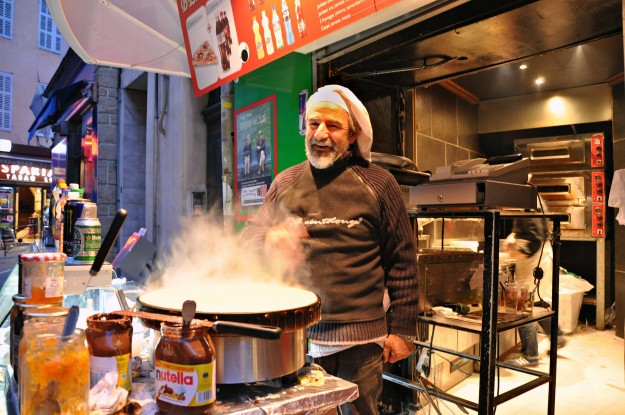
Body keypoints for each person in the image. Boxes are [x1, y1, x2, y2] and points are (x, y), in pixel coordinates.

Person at [242, 84, 418, 414]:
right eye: (313, 124)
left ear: (352, 135)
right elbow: (248, 243)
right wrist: (270, 240)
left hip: (362, 342)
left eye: (333, 126)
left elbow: (403, 261)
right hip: (297, 339)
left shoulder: (379, 183)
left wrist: (404, 330)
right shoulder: (286, 181)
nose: (320, 134)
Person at [502, 217, 566, 367]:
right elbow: (527, 229)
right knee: (536, 301)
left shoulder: (525, 201)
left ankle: (530, 355)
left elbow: (532, 242)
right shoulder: (527, 200)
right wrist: (512, 235)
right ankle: (557, 335)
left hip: (535, 260)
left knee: (522, 306)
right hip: (541, 257)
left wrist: (505, 257)